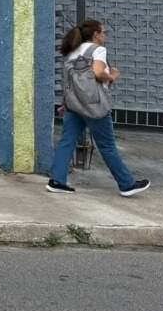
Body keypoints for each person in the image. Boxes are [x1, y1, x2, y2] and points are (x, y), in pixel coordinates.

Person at [47, 19, 150, 196]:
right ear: (95, 34)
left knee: (67, 141)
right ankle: (127, 184)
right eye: (103, 32)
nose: (105, 35)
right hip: (94, 106)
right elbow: (98, 72)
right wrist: (113, 76)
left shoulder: (73, 51)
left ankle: (57, 180)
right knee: (108, 146)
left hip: (74, 105)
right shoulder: (98, 50)